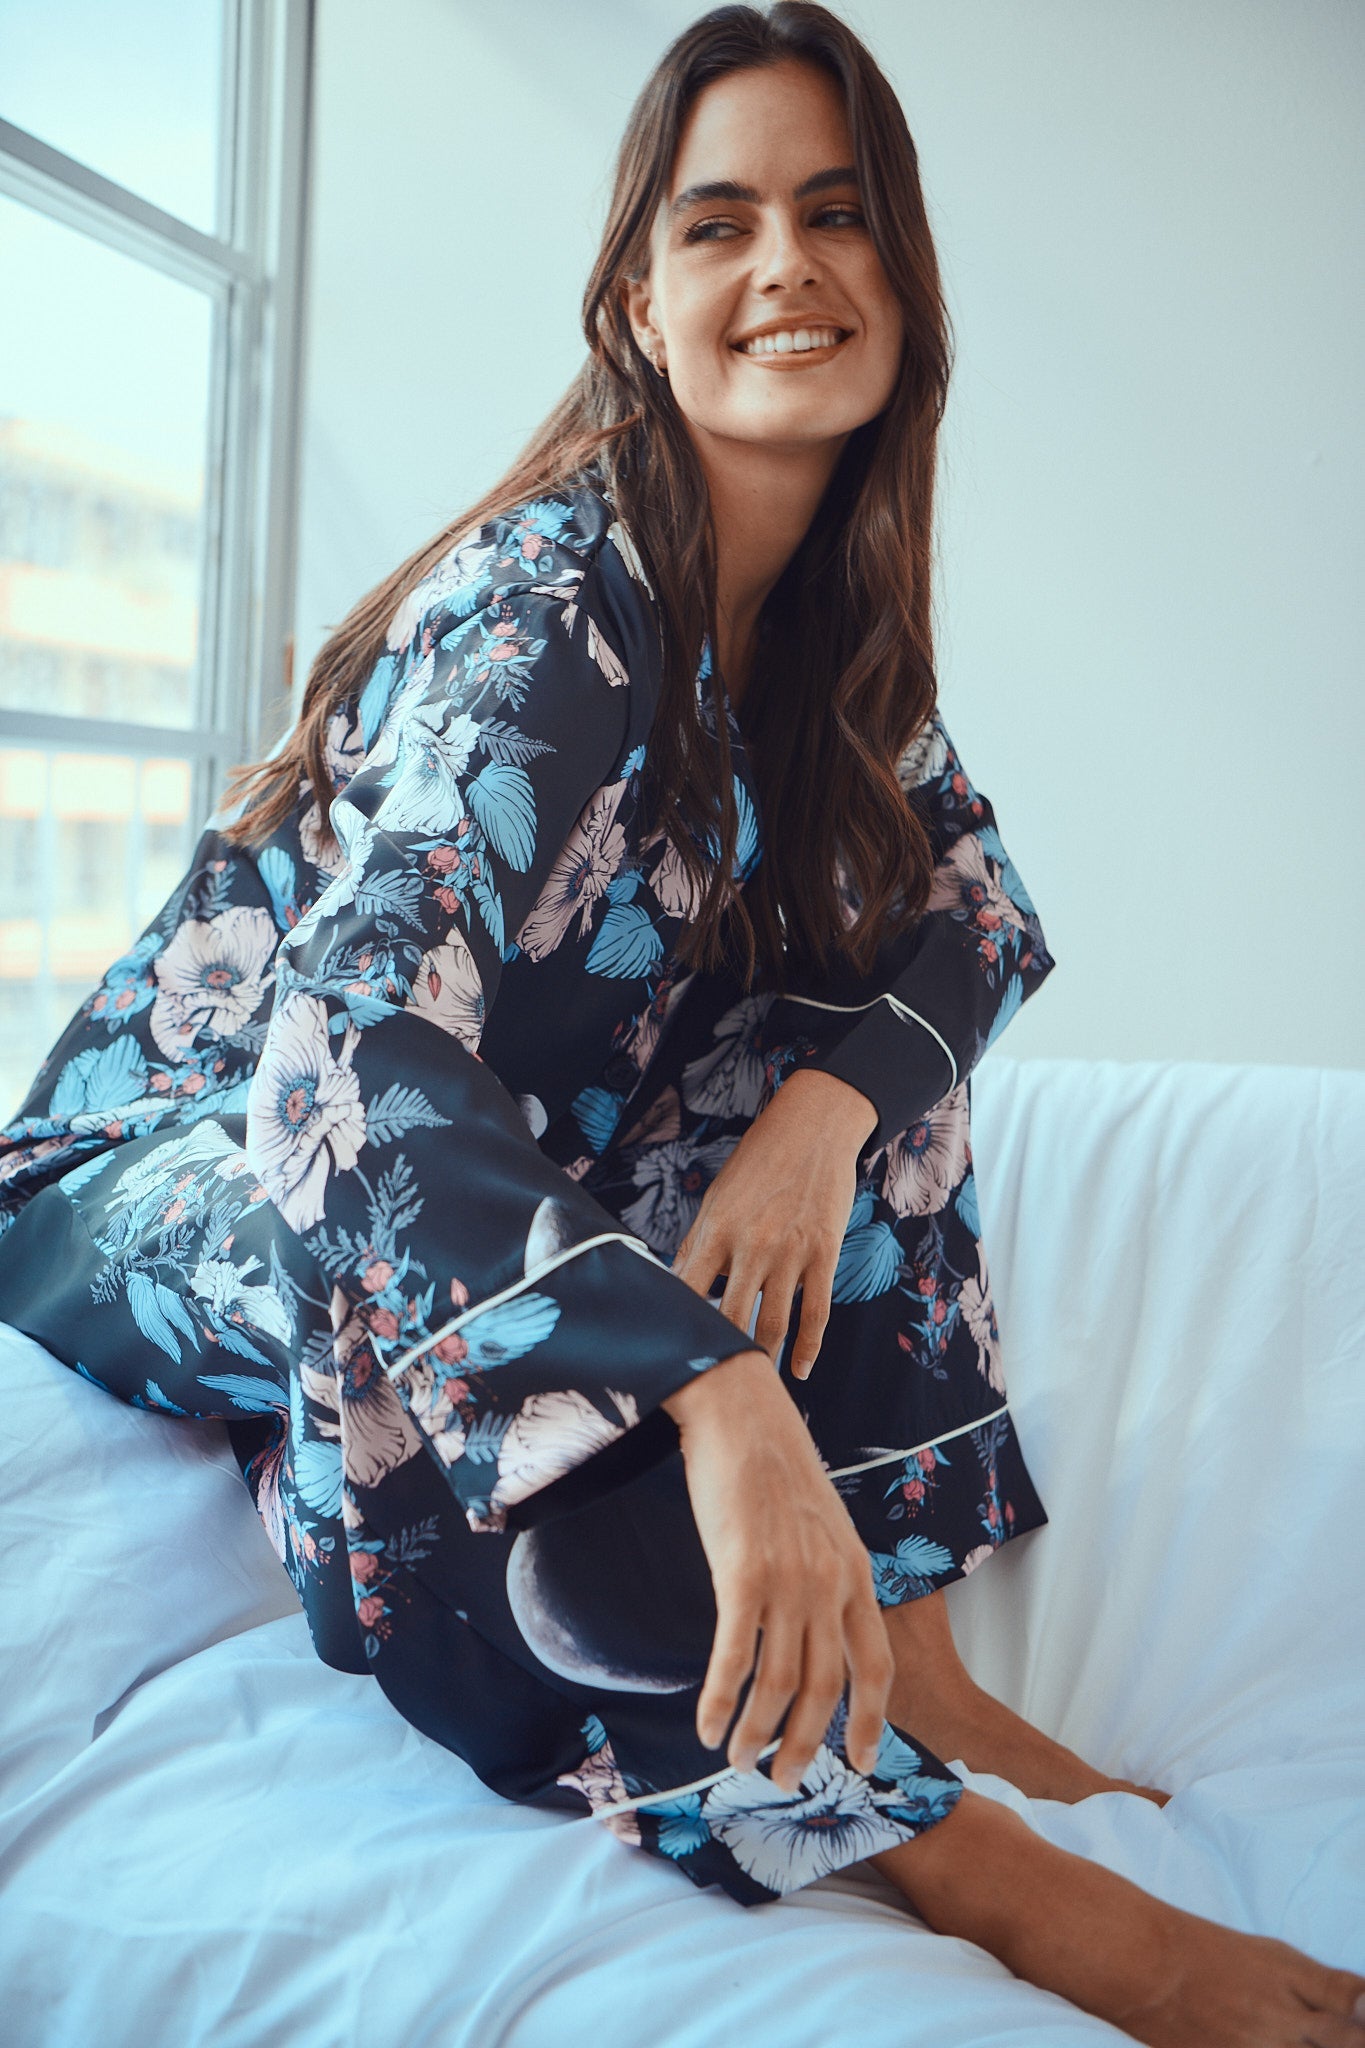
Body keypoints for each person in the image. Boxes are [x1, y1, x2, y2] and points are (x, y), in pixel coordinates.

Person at [1, 5, 1361, 2041]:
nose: (782, 267)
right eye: (716, 224)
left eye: (834, 214)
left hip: (494, 1136)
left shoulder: (824, 641)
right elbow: (340, 1056)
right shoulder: (552, 601)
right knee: (395, 1315)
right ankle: (945, 1854)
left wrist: (817, 1117)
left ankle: (911, 1661)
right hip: (182, 1151)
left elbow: (979, 914)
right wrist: (704, 1382)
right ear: (638, 306)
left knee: (859, 1026)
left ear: (901, 276)